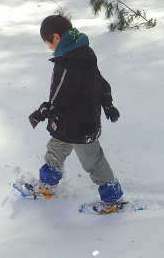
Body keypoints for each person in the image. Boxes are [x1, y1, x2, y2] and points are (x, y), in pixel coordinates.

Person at [27, 14, 124, 211]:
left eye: (47, 43)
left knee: (93, 162)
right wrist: (108, 103)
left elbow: (60, 96)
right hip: (69, 123)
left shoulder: (68, 62)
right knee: (55, 151)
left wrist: (42, 111)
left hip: (79, 125)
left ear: (56, 37)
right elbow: (100, 82)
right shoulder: (84, 52)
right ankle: (47, 185)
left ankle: (113, 200)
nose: (48, 47)